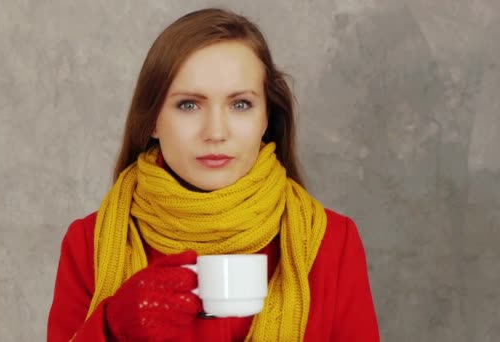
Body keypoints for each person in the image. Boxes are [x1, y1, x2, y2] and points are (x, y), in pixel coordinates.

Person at [47, 7, 379, 342]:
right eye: (189, 105)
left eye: (240, 104)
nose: (216, 132)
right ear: (152, 121)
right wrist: (110, 327)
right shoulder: (89, 242)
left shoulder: (332, 242)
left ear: (267, 117)